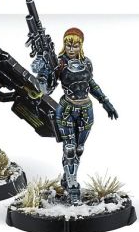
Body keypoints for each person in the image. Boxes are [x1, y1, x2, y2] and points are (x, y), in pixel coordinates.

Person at [32, 27, 118, 204]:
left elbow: (91, 84)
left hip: (86, 110)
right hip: (66, 110)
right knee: (69, 149)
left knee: (79, 149)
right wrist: (43, 74)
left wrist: (105, 102)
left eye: (75, 45)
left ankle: (67, 177)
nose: (71, 49)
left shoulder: (87, 63)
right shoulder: (60, 64)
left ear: (81, 45)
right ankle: (72, 187)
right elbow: (47, 89)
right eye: (68, 45)